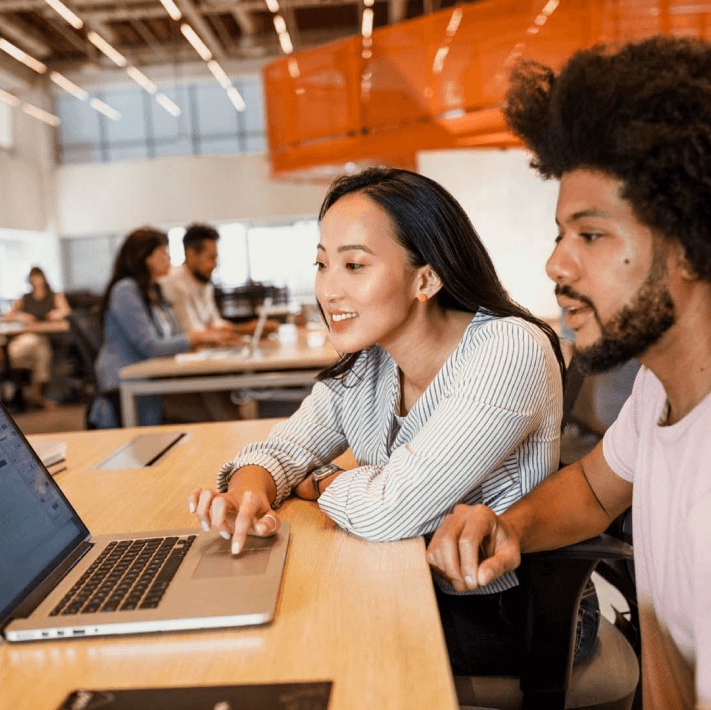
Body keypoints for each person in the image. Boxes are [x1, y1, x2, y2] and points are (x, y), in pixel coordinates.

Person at [426, 35, 711, 707]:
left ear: (692, 246)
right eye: (562, 235)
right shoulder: (666, 385)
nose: (557, 266)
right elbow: (593, 489)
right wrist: (512, 525)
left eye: (591, 235)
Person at [187, 167, 585, 674]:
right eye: (322, 263)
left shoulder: (507, 350)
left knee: (278, 648)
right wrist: (247, 496)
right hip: (402, 583)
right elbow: (281, 451)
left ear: (427, 278)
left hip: (506, 611)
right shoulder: (373, 360)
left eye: (354, 265)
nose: (329, 290)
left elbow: (389, 511)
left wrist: (321, 481)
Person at [90, 227, 238, 428]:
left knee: (215, 400)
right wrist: (196, 338)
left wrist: (204, 338)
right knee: (211, 407)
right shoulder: (125, 290)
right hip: (127, 384)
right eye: (163, 252)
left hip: (152, 378)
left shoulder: (153, 290)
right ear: (146, 258)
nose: (169, 258)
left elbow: (172, 336)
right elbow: (151, 347)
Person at [159, 222, 274, 421]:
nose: (214, 265)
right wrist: (241, 330)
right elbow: (194, 331)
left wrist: (245, 330)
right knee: (227, 409)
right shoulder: (173, 282)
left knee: (236, 394)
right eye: (210, 258)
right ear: (191, 254)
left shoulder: (203, 282)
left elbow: (214, 322)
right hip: (183, 371)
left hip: (204, 364)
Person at [3, 266, 71, 408]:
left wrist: (57, 314)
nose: (36, 281)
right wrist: (22, 316)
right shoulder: (25, 298)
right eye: (33, 278)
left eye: (38, 277)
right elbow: (8, 316)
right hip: (31, 336)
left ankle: (38, 394)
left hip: (53, 337)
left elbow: (66, 311)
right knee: (37, 350)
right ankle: (38, 393)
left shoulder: (54, 296)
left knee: (41, 349)